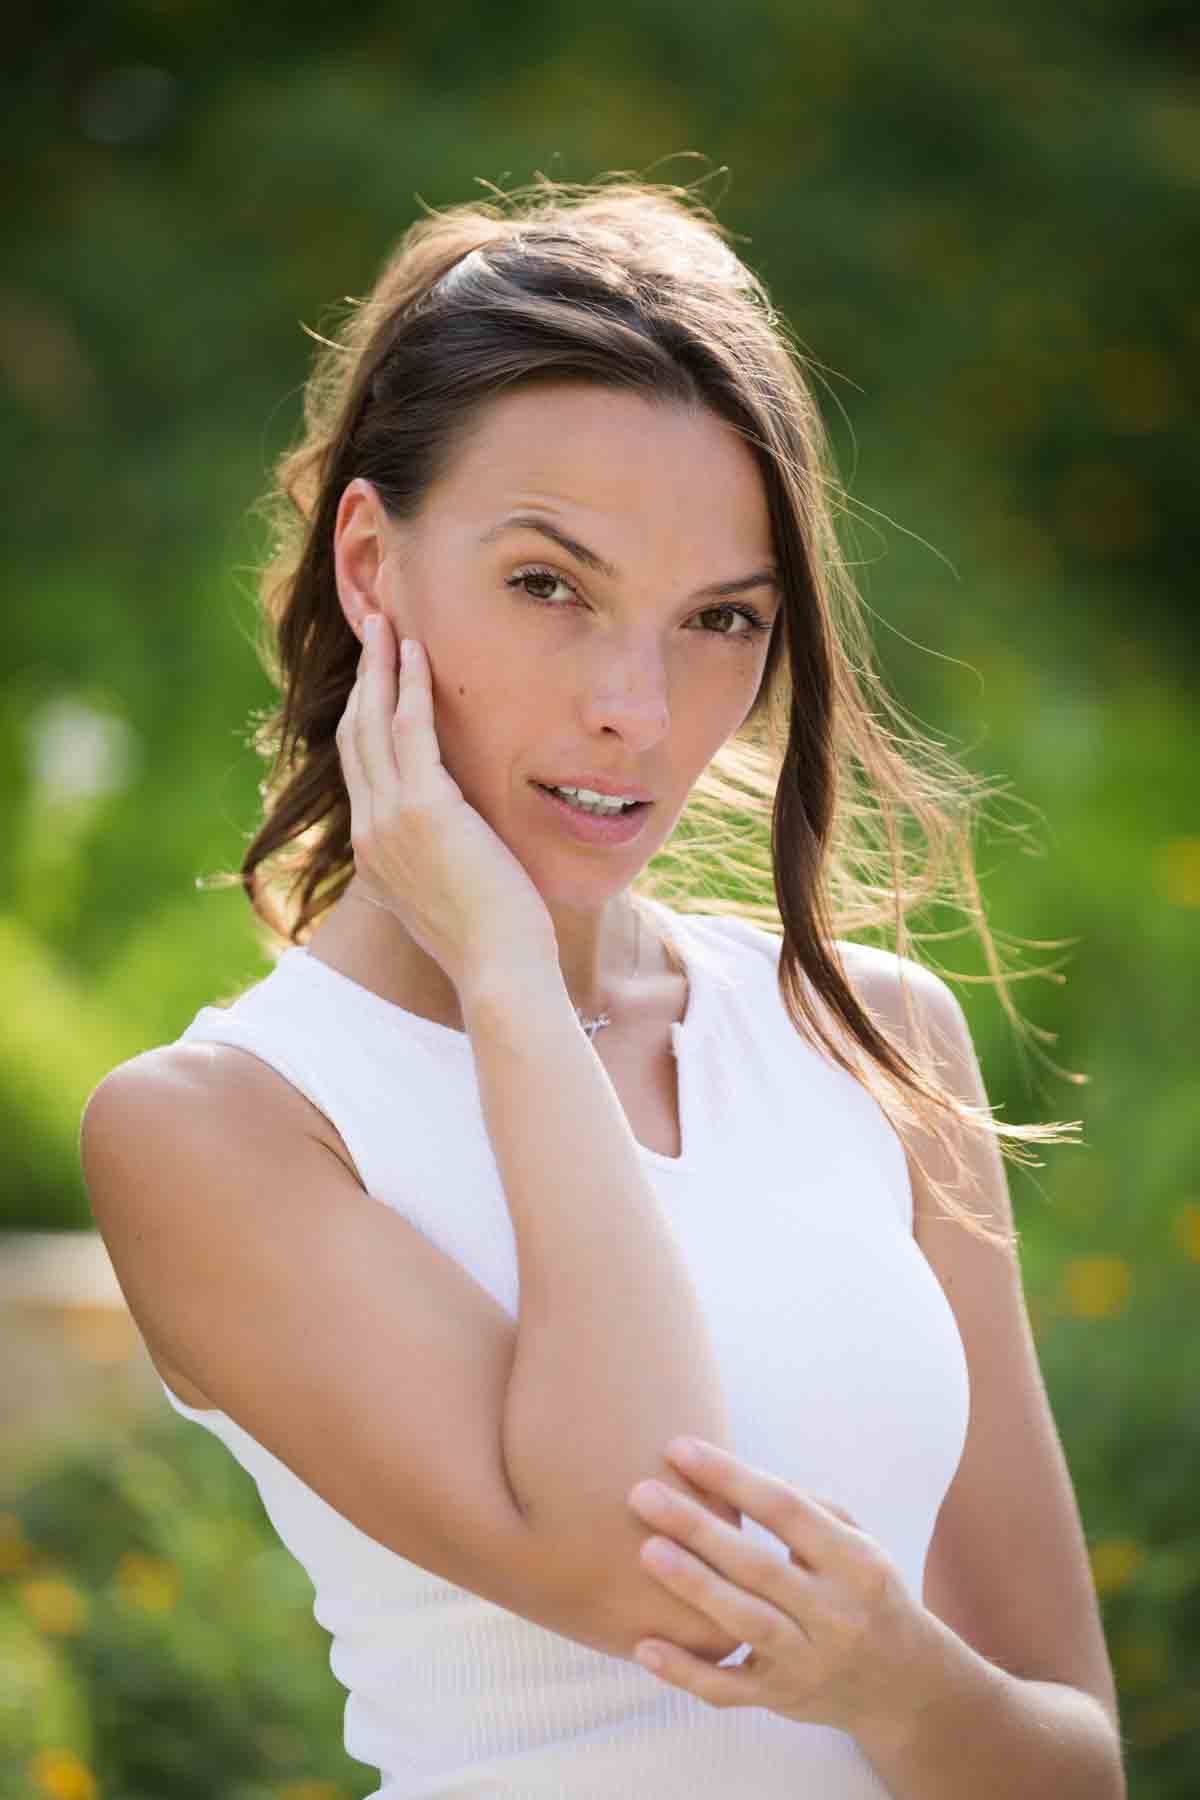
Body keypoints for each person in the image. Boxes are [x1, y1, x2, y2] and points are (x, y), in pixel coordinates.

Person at [80, 176, 1126, 1797]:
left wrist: (902, 1680)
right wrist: (506, 972)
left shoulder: (876, 1038)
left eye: (718, 620)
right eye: (549, 586)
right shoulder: (224, 1131)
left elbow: (1076, 1763)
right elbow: (655, 1564)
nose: (635, 708)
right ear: (372, 562)